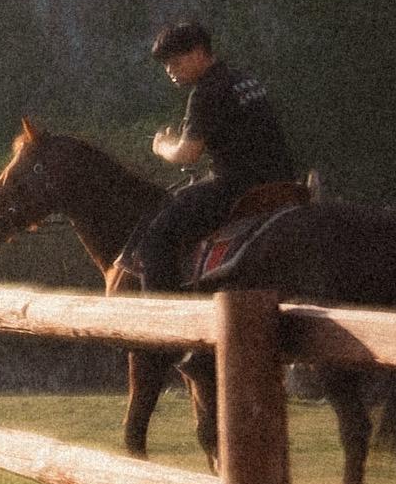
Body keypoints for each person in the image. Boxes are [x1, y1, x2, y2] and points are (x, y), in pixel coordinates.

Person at [128, 19, 298, 291]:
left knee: (155, 239)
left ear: (198, 53)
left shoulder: (207, 91)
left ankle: (166, 311)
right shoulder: (244, 79)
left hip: (237, 187)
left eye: (175, 62)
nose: (170, 70)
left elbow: (187, 154)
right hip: (283, 180)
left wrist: (162, 146)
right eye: (166, 65)